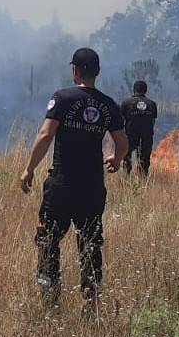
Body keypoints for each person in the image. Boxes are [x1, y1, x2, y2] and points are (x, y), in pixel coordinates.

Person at [19, 47, 128, 309]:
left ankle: (50, 300)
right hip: (92, 187)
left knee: (48, 239)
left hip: (62, 185)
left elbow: (46, 134)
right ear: (97, 72)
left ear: (75, 71)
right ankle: (91, 303)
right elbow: (122, 141)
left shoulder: (62, 98)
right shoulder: (108, 105)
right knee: (90, 243)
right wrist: (116, 159)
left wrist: (29, 169)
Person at [120, 80, 158, 177]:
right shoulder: (152, 104)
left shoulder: (126, 103)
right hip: (146, 136)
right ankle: (143, 179)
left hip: (130, 135)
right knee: (144, 159)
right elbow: (153, 121)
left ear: (134, 90)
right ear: (145, 90)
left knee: (127, 158)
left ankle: (125, 179)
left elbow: (121, 121)